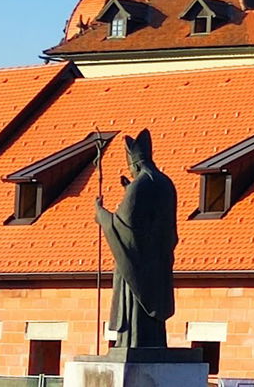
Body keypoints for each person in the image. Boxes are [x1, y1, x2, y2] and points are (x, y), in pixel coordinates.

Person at [94, 129, 178, 349]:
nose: (130, 173)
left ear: (136, 165)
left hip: (138, 263)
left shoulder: (141, 185)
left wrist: (101, 214)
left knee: (135, 312)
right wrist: (129, 190)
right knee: (153, 321)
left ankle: (132, 343)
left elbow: (126, 227)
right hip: (159, 263)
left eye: (131, 168)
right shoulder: (165, 182)